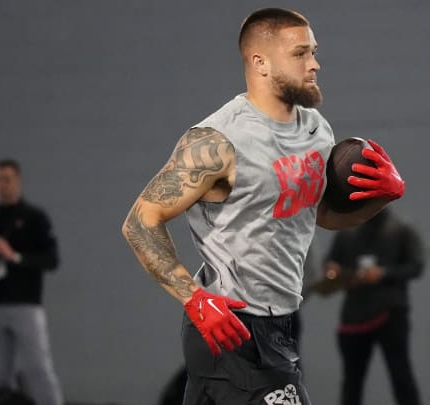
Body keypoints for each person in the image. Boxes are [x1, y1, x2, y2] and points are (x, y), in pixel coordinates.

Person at [121, 7, 405, 405]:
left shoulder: (316, 130)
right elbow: (140, 221)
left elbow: (319, 215)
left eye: (314, 52)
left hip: (280, 324)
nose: (314, 64)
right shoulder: (218, 140)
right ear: (261, 63)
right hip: (231, 328)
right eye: (300, 54)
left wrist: (383, 199)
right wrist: (194, 298)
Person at [0, 159, 63, 405]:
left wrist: (14, 256)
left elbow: (51, 260)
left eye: (6, 178)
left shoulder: (34, 217)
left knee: (37, 367)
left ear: (18, 181)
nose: (2, 184)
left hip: (25, 304)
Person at [321, 207, 424, 405]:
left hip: (391, 311)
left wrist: (384, 273)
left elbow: (416, 265)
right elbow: (330, 261)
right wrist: (333, 269)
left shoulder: (401, 229)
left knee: (401, 374)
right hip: (355, 313)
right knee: (352, 380)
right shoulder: (347, 232)